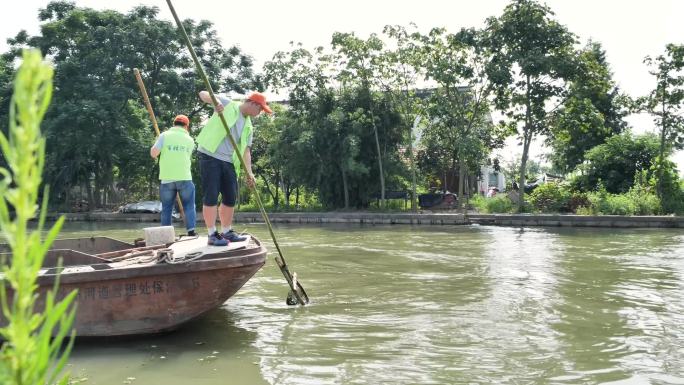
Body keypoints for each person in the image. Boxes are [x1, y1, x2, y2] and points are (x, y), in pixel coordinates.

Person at [196, 91, 271, 246]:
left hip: (229, 162)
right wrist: (215, 103)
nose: (260, 113)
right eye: (261, 109)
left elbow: (246, 151)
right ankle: (211, 234)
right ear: (253, 104)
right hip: (211, 155)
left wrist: (249, 173)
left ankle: (226, 231)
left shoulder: (249, 125)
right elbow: (203, 94)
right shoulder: (229, 104)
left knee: (230, 197)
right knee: (211, 195)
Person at [150, 115, 197, 236]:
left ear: (174, 124)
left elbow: (153, 154)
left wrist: (159, 143)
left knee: (167, 208)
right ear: (186, 126)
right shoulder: (190, 140)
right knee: (189, 206)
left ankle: (166, 235)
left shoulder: (164, 136)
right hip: (184, 177)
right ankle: (191, 232)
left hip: (167, 178)